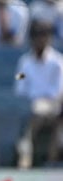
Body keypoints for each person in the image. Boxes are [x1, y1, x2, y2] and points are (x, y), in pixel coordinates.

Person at [14, 21, 63, 167]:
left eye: (44, 36)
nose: (41, 40)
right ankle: (26, 152)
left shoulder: (58, 63)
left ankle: (48, 158)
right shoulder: (24, 63)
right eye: (37, 36)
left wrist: (48, 102)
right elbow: (19, 84)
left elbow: (59, 89)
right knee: (34, 110)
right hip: (31, 105)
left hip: (54, 104)